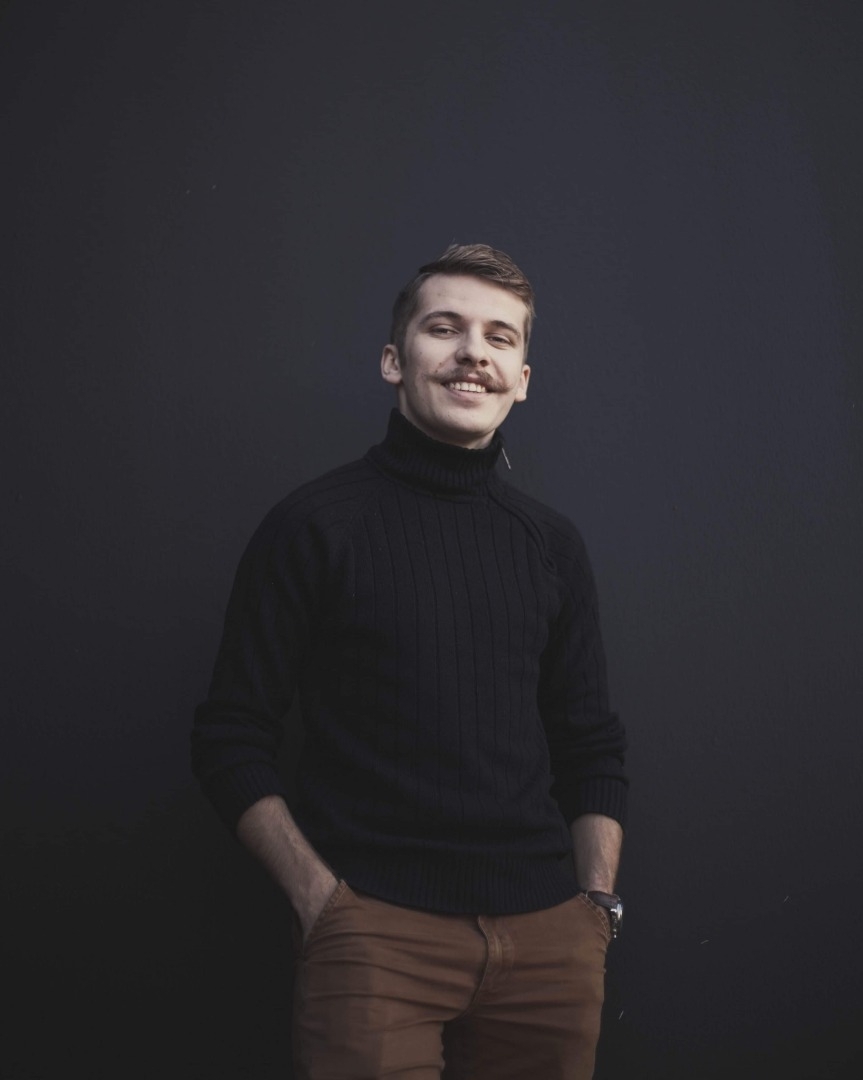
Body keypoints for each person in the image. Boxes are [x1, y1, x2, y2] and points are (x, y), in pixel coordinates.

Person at [191, 243, 628, 1080]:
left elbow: (591, 744)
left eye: (499, 337)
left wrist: (594, 909)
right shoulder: (314, 526)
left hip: (548, 944)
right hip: (374, 939)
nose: (473, 353)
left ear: (521, 379)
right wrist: (324, 905)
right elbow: (229, 736)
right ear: (394, 360)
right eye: (444, 328)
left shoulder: (551, 545)